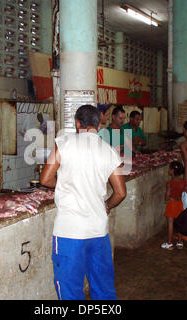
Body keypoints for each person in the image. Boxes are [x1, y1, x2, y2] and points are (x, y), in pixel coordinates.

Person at [40, 104, 126, 300]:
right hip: (98, 231)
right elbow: (120, 193)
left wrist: (66, 186)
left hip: (69, 231)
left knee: (70, 290)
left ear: (77, 123)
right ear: (99, 123)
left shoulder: (64, 144)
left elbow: (45, 179)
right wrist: (107, 206)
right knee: (103, 288)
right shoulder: (109, 151)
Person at [161, 161, 186, 250]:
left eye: (169, 168)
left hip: (172, 204)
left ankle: (169, 243)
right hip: (180, 204)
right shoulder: (184, 182)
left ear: (172, 171)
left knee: (170, 224)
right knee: (180, 224)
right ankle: (179, 242)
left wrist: (167, 198)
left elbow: (167, 196)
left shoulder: (170, 183)